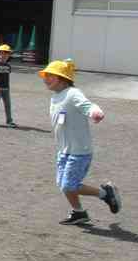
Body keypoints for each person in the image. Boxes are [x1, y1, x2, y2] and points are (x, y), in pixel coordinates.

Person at [39, 59, 121, 225]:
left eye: (50, 76)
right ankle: (79, 213)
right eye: (45, 75)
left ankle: (106, 194)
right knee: (63, 185)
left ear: (62, 78)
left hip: (79, 151)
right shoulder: (55, 96)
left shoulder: (72, 93)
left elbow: (87, 105)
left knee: (69, 185)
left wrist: (95, 112)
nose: (45, 78)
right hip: (64, 150)